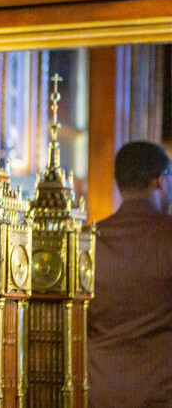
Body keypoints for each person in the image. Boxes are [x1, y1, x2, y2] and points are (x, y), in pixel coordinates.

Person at [87, 141, 172, 408]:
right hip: (159, 392)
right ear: (160, 180)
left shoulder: (87, 241)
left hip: (99, 392)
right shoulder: (166, 235)